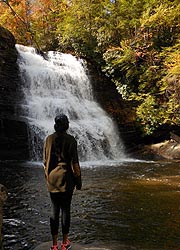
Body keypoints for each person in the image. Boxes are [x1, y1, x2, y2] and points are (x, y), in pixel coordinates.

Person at [43, 114, 82, 250]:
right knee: (66, 210)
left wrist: (48, 178)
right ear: (67, 125)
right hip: (67, 180)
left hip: (52, 180)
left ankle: (54, 245)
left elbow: (44, 162)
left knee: (54, 211)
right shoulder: (71, 140)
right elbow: (75, 164)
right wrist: (79, 181)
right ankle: (65, 243)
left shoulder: (48, 139)